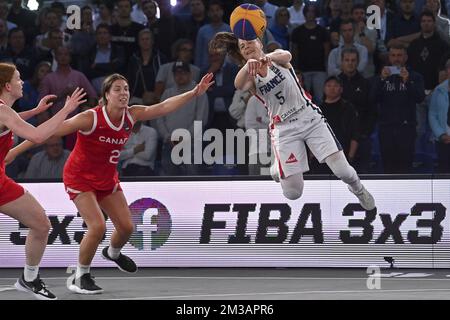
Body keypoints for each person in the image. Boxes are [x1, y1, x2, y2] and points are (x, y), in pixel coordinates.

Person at [6, 72, 214, 294]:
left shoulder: (132, 115)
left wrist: (194, 93)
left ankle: (112, 253)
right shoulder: (90, 118)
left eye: (126, 89)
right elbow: (48, 133)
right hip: (80, 178)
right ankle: (80, 275)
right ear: (106, 95)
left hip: (107, 179)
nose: (123, 93)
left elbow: (163, 107)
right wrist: (15, 152)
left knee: (126, 228)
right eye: (117, 89)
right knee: (97, 226)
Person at [209, 32, 375, 211]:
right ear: (241, 54)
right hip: (284, 127)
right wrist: (248, 65)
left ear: (259, 43)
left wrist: (266, 57)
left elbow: (287, 55)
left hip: (308, 118)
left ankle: (358, 189)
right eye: (242, 47)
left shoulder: (277, 58)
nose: (246, 47)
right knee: (293, 193)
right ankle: (279, 164)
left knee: (343, 171)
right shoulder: (249, 76)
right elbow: (238, 85)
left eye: (249, 42)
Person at [0, 62, 86, 300]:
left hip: (1, 182)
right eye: (18, 78)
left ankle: (29, 279)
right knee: (41, 225)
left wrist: (37, 111)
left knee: (41, 224)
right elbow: (38, 136)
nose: (22, 82)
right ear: (7, 86)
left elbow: (12, 120)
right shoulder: (3, 111)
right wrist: (66, 109)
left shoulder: (6, 112)